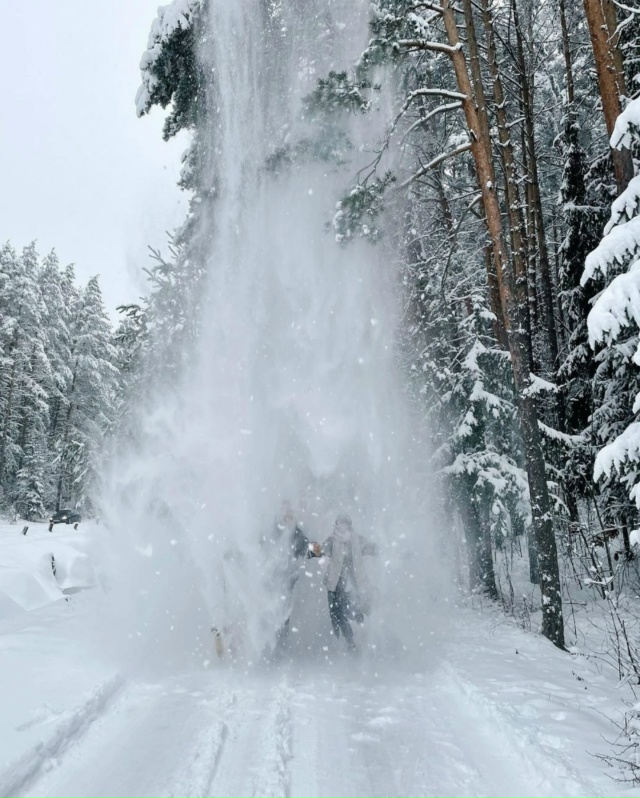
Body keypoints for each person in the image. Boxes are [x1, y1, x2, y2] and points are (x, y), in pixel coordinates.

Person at [262, 501, 321, 659]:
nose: (287, 514)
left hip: (286, 582)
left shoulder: (295, 533)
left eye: (289, 512)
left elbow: (308, 549)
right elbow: (256, 548)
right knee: (267, 615)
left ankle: (279, 651)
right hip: (269, 581)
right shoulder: (270, 531)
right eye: (284, 510)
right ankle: (265, 650)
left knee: (282, 618)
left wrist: (319, 549)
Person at [319, 513, 377, 653]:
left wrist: (381, 548)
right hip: (335, 585)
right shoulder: (332, 541)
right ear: (337, 525)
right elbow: (320, 550)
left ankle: (358, 632)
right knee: (338, 614)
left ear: (349, 525)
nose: (342, 526)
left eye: (345, 523)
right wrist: (310, 549)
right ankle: (350, 642)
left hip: (353, 583)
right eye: (340, 523)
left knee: (353, 610)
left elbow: (371, 548)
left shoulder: (357, 540)